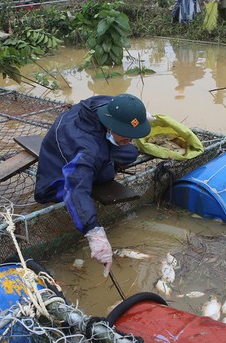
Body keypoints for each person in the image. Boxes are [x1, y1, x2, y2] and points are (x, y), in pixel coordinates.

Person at [34, 94, 151, 274]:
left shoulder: (103, 106)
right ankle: (100, 170)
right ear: (111, 126)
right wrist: (94, 232)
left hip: (87, 142)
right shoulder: (87, 150)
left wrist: (137, 119)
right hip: (57, 172)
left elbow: (120, 104)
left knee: (130, 152)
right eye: (126, 135)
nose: (130, 138)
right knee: (101, 175)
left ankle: (107, 161)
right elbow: (77, 192)